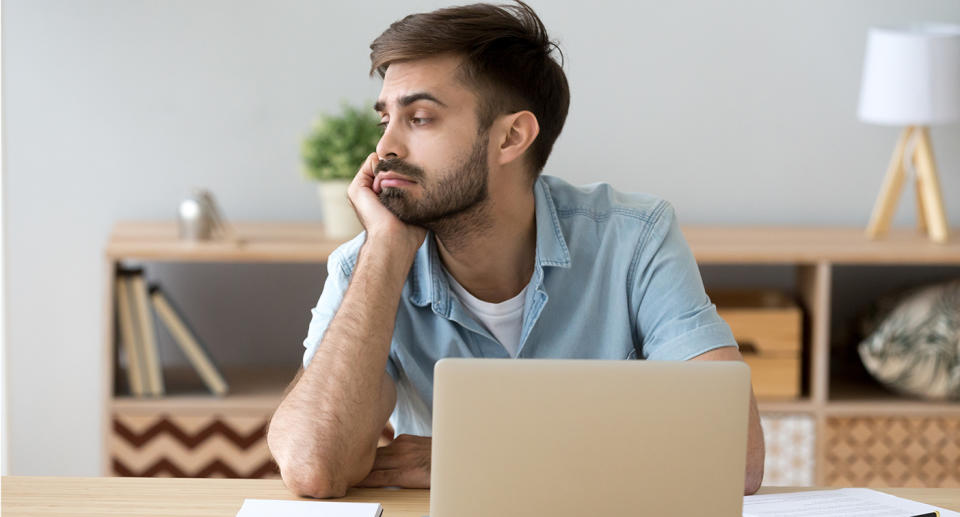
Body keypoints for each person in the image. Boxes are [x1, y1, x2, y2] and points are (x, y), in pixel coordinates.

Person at [267, 0, 765, 499]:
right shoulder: (367, 263)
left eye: (419, 118)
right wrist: (385, 252)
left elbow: (733, 458)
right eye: (385, 121)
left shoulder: (633, 238)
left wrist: (479, 456)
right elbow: (313, 467)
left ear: (511, 137)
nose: (385, 149)